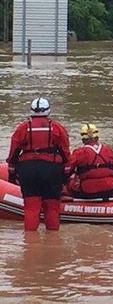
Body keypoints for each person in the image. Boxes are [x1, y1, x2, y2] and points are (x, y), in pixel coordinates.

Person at [5, 97, 70, 231]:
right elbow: (65, 152)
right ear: (48, 111)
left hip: (28, 170)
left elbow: (13, 152)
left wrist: (12, 171)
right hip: (51, 169)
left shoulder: (23, 128)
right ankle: (53, 241)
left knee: (31, 207)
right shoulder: (56, 128)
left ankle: (30, 243)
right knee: (52, 206)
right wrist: (65, 175)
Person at [65, 123, 113, 199]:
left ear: (83, 140)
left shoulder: (79, 152)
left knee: (67, 183)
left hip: (87, 191)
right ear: (97, 138)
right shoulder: (108, 150)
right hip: (111, 189)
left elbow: (67, 170)